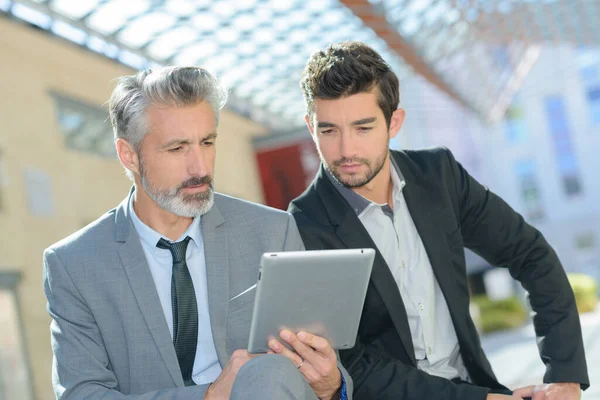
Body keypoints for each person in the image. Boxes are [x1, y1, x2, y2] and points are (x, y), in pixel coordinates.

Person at [288, 41, 589, 400]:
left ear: (393, 122)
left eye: (363, 128)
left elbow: (531, 254)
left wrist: (564, 378)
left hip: (479, 385)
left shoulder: (439, 176)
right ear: (310, 127)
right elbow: (351, 364)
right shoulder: (304, 225)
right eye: (329, 130)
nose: (347, 149)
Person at [43, 66, 350, 400]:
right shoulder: (74, 264)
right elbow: (81, 395)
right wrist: (210, 396)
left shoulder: (272, 232)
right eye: (177, 148)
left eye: (207, 142)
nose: (201, 168)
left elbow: (318, 367)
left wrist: (331, 384)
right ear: (128, 155)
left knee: (270, 370)